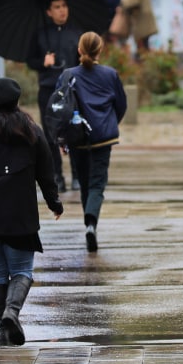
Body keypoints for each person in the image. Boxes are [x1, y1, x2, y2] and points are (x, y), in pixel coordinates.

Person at [0, 77, 64, 346]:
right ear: (16, 100)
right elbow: (46, 174)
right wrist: (55, 204)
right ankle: (11, 313)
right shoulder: (32, 132)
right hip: (20, 217)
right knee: (21, 271)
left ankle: (2, 330)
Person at [64, 30, 127, 252]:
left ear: (79, 50)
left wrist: (63, 139)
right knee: (97, 183)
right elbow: (121, 105)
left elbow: (60, 108)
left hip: (77, 137)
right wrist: (109, 122)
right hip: (103, 137)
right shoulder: (110, 75)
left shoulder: (68, 75)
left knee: (83, 181)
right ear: (100, 50)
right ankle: (92, 225)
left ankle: (88, 223)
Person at [26, 0, 82, 194]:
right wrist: (43, 62)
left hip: (72, 90)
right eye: (57, 7)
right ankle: (57, 175)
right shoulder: (40, 34)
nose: (62, 10)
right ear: (49, 12)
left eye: (64, 5)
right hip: (48, 90)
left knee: (74, 131)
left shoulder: (77, 33)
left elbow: (84, 61)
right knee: (51, 135)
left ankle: (77, 175)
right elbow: (30, 60)